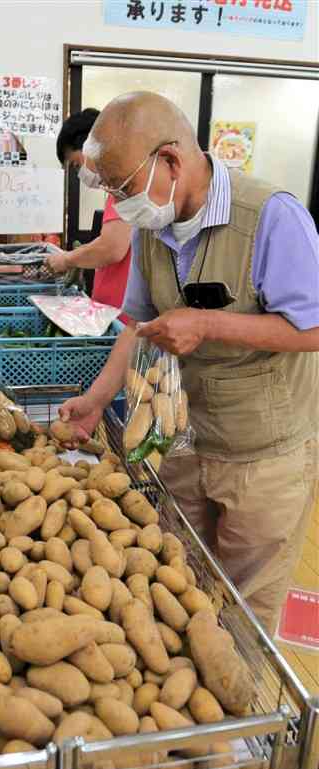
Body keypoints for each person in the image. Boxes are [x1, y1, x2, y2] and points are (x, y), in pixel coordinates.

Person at [59, 91, 319, 636]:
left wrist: (208, 323)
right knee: (179, 579)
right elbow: (135, 324)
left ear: (171, 161)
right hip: (181, 439)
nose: (120, 204)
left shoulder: (271, 217)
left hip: (262, 457)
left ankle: (245, 719)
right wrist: (95, 401)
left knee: (245, 611)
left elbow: (313, 327)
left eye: (123, 188)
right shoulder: (154, 229)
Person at [45, 108, 132, 320]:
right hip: (115, 314)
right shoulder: (116, 188)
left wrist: (67, 260)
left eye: (76, 164)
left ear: (91, 145)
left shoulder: (125, 186)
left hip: (124, 318)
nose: (79, 173)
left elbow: (112, 248)